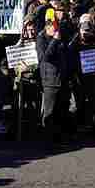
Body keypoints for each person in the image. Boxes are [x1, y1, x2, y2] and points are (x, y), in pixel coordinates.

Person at [37, 10, 71, 143]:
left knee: (60, 111)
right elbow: (45, 57)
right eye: (52, 27)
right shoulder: (41, 39)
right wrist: (55, 41)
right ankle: (48, 139)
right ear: (47, 27)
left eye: (56, 26)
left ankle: (58, 137)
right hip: (50, 81)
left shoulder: (60, 38)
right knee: (49, 112)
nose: (55, 29)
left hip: (61, 79)